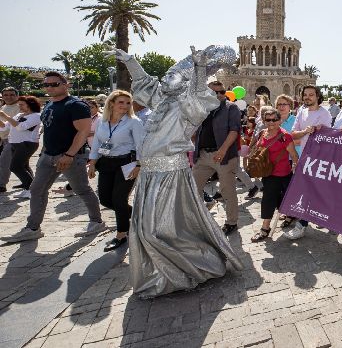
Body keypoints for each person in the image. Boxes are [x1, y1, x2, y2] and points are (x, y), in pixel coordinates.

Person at [100, 46, 242, 298]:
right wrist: (131, 61)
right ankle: (160, 271)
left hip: (170, 174)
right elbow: (145, 82)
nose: (165, 78)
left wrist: (199, 68)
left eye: (172, 75)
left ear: (184, 81)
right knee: (147, 226)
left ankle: (184, 268)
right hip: (150, 174)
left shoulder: (191, 102)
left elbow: (198, 95)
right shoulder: (163, 99)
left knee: (157, 230)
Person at [1, 72, 106, 243]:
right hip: (48, 156)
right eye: (46, 85)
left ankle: (96, 221)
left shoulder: (76, 105)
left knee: (82, 189)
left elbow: (83, 131)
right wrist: (44, 152)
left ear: (66, 85)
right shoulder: (49, 105)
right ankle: (33, 228)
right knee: (36, 189)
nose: (50, 87)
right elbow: (49, 131)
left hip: (70, 157)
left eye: (54, 84)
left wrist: (69, 154)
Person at [87, 90, 145, 252]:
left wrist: (139, 165)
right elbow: (97, 143)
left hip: (127, 163)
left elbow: (141, 145)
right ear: (111, 103)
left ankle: (121, 234)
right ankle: (137, 217)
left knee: (119, 199)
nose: (125, 106)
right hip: (106, 163)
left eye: (128, 103)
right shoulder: (102, 122)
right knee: (105, 199)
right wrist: (92, 162)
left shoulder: (134, 122)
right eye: (121, 102)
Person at [192, 81, 242, 235]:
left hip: (224, 155)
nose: (220, 95)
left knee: (227, 191)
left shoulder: (230, 107)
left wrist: (222, 150)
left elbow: (234, 131)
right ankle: (199, 219)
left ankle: (231, 222)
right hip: (204, 155)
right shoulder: (202, 108)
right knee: (193, 187)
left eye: (222, 92)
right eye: (216, 92)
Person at [286, 86, 332, 240]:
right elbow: (293, 134)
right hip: (305, 158)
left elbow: (327, 138)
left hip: (320, 159)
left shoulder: (324, 114)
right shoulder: (301, 111)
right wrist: (306, 131)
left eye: (311, 95)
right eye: (305, 95)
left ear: (318, 96)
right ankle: (307, 221)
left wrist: (318, 131)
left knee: (312, 192)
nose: (307, 97)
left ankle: (304, 224)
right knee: (307, 192)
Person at [250, 107, 298, 242]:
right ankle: (288, 216)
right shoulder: (262, 133)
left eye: (274, 120)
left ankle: (265, 228)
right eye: (268, 120)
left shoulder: (285, 136)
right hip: (267, 173)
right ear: (264, 121)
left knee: (270, 199)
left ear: (279, 121)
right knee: (275, 198)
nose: (271, 122)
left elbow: (294, 154)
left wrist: (296, 167)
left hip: (282, 173)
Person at [0, 96, 41, 199]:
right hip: (15, 144)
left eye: (22, 104)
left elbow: (21, 127)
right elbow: (5, 127)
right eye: (19, 104)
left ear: (30, 105)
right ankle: (28, 189)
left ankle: (32, 190)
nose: (19, 107)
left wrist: (5, 115)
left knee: (15, 167)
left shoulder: (36, 116)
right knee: (24, 167)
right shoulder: (19, 115)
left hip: (27, 144)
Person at [0, 87, 21, 193]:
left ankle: (1, 184)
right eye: (6, 95)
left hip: (14, 139)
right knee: (23, 164)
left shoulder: (20, 107)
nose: (9, 97)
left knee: (4, 161)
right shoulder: (3, 107)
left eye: (12, 94)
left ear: (17, 96)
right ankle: (28, 182)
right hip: (3, 138)